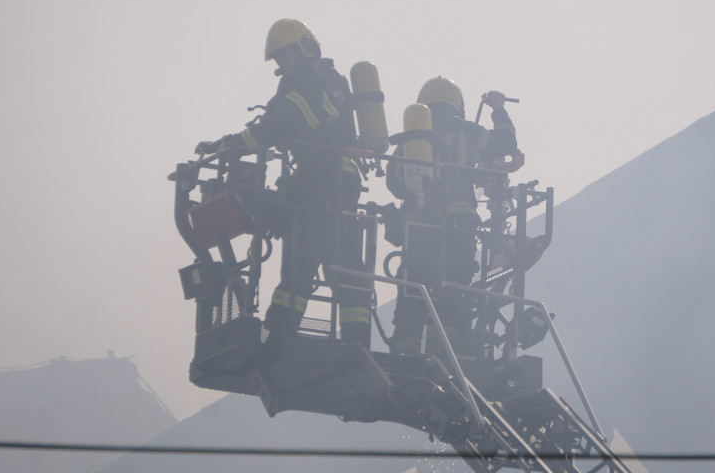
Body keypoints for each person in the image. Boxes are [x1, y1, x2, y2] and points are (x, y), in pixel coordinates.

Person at [195, 19, 371, 347]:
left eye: (286, 55)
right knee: (344, 274)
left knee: (302, 270)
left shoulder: (314, 84)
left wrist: (230, 145)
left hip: (323, 185)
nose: (282, 63)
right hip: (329, 186)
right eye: (278, 58)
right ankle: (355, 345)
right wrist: (229, 144)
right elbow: (275, 123)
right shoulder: (314, 82)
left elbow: (278, 124)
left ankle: (277, 338)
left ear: (305, 49)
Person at [386, 76, 516, 355]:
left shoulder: (413, 137)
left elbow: (394, 183)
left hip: (419, 230)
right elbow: (506, 143)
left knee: (413, 288)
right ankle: (446, 353)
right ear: (457, 103)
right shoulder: (466, 131)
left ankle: (404, 351)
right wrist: (498, 108)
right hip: (459, 227)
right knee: (454, 289)